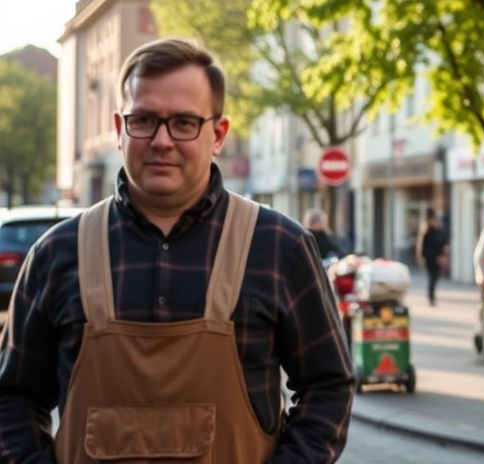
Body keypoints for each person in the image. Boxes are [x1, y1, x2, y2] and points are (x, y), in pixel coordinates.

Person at [0, 37, 354, 461]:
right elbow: (12, 397)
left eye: (184, 123)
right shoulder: (56, 254)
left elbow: (328, 384)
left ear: (218, 133)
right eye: (144, 120)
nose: (162, 140)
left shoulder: (280, 247)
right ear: (119, 130)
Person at [416, 208, 449, 305]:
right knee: (432, 277)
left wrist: (444, 256)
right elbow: (422, 247)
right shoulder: (427, 233)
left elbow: (444, 245)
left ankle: (432, 296)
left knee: (435, 277)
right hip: (429, 258)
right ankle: (431, 297)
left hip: (438, 258)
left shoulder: (440, 232)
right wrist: (421, 257)